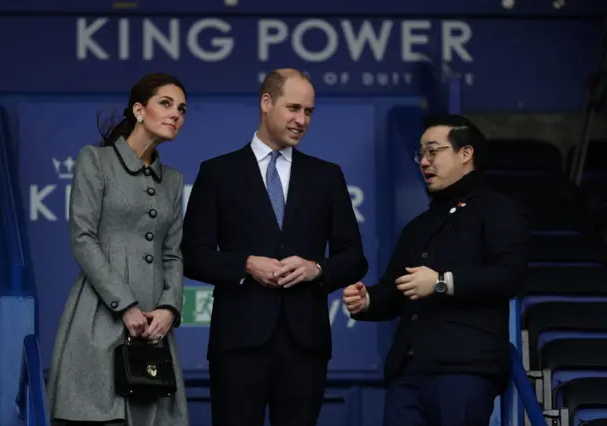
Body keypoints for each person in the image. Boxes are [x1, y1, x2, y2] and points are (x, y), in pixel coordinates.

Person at [181, 68, 368, 426]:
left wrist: (317, 269)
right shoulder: (218, 172)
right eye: (294, 108)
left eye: (309, 112)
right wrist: (246, 265)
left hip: (305, 346)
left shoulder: (327, 176)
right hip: (237, 343)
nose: (302, 120)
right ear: (266, 103)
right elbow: (192, 255)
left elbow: (354, 258)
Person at [343, 115, 531, 426]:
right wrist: (367, 301)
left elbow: (510, 276)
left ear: (465, 154)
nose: (424, 162)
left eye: (433, 151)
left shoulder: (499, 209)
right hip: (408, 372)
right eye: (420, 154)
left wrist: (443, 283)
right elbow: (395, 289)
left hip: (464, 370)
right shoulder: (419, 226)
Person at [47, 73, 190, 426]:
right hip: (100, 316)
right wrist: (125, 305)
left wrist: (170, 308)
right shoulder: (95, 161)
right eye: (166, 104)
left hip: (155, 328)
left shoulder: (172, 179)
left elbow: (172, 253)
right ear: (139, 110)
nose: (176, 115)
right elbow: (82, 238)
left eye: (182, 109)